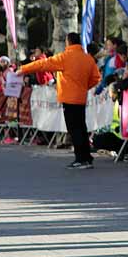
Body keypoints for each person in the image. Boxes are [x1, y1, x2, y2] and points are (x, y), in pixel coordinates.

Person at [19, 32, 102, 169]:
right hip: (81, 97)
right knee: (81, 127)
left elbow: (43, 64)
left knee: (74, 129)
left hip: (69, 98)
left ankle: (81, 159)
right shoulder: (88, 59)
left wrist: (23, 69)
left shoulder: (65, 57)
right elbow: (96, 78)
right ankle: (86, 157)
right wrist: (84, 87)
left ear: (68, 42)